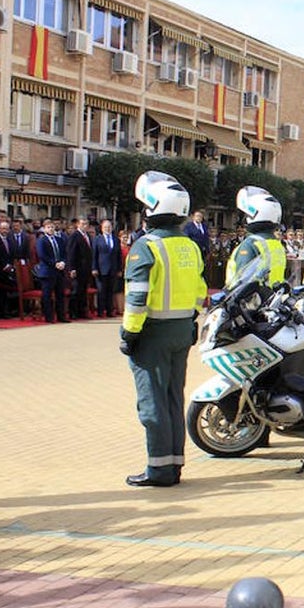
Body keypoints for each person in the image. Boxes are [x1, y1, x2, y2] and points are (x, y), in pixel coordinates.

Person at [120, 171, 207, 487]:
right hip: (181, 331)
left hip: (152, 332)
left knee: (152, 402)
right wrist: (191, 320)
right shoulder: (190, 246)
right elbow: (200, 291)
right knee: (172, 398)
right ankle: (174, 464)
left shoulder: (147, 246)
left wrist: (129, 332)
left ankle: (158, 469)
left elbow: (138, 295)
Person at [224, 186, 286, 288]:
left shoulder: (251, 244)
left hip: (249, 301)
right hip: (271, 298)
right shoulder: (277, 244)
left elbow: (243, 280)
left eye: (246, 214)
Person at [34, 218, 69, 323]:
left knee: (60, 294)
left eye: (52, 227)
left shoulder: (59, 240)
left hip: (59, 271)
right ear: (44, 229)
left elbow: (64, 253)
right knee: (47, 295)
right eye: (48, 227)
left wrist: (63, 262)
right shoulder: (41, 240)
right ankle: (49, 317)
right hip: (47, 271)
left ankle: (61, 316)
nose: (51, 229)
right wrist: (55, 263)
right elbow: (42, 255)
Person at [91, 219, 123, 318]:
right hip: (101, 269)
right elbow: (94, 255)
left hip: (113, 269)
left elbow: (119, 256)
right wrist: (94, 268)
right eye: (105, 227)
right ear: (101, 228)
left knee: (110, 291)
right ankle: (101, 311)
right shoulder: (97, 239)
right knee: (101, 291)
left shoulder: (116, 239)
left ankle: (109, 311)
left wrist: (119, 269)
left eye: (109, 227)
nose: (107, 229)